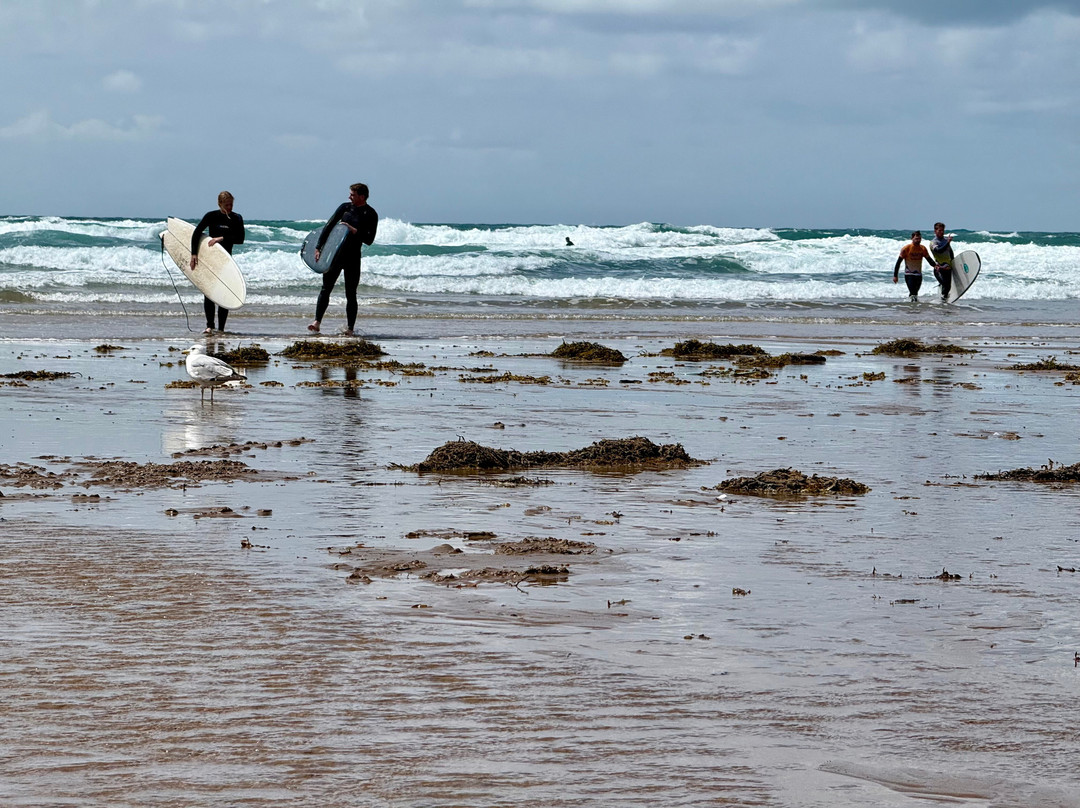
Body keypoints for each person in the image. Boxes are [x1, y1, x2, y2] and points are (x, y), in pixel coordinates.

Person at [309, 183, 378, 336]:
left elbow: (369, 239)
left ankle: (350, 329)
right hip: (336, 255)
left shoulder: (371, 214)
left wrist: (352, 230)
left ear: (362, 196)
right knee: (326, 289)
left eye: (352, 195)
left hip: (353, 257)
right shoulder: (345, 208)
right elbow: (329, 226)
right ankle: (317, 322)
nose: (349, 197)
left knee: (351, 293)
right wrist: (318, 247)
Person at [190, 191, 245, 333]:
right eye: (227, 205)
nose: (229, 207)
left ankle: (221, 329)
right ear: (220, 204)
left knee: (224, 293)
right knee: (209, 293)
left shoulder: (237, 218)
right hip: (210, 260)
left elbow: (240, 239)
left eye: (231, 204)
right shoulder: (211, 216)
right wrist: (194, 254)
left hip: (226, 261)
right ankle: (210, 326)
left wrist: (221, 238)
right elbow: (196, 233)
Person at [892, 230, 945, 302]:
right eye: (916, 239)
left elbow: (929, 259)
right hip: (909, 274)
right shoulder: (906, 248)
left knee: (915, 293)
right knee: (913, 293)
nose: (918, 240)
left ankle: (910, 306)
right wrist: (895, 276)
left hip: (918, 275)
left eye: (919, 239)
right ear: (912, 238)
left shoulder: (922, 248)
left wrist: (935, 266)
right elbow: (898, 263)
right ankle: (913, 305)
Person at [929, 221, 955, 300]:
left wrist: (953, 263)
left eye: (943, 230)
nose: (941, 232)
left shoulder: (945, 240)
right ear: (935, 231)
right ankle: (942, 302)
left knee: (948, 287)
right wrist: (948, 242)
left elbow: (950, 252)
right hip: (939, 269)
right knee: (945, 285)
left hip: (948, 268)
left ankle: (943, 304)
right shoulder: (933, 242)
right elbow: (939, 250)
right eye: (939, 230)